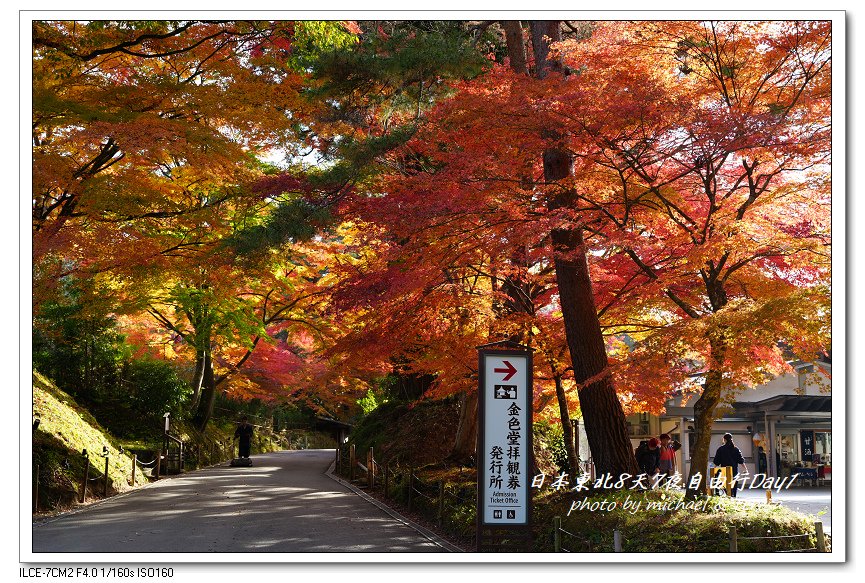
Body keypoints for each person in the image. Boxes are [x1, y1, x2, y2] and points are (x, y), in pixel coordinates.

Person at [713, 433, 746, 497]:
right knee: (733, 486)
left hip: (724, 471)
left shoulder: (721, 449)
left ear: (724, 439)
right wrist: (745, 469)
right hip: (734, 471)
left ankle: (729, 496)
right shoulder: (736, 449)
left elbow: (716, 461)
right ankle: (733, 496)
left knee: (726, 485)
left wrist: (714, 469)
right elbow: (741, 460)